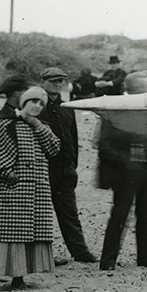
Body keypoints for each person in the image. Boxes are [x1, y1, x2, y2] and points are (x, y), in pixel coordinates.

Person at [0, 79, 61, 292]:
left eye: (41, 103)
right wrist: (5, 172)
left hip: (38, 192)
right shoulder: (4, 124)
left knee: (31, 236)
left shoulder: (42, 127)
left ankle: (19, 279)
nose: (36, 106)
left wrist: (37, 125)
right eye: (33, 101)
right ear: (23, 102)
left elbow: (54, 148)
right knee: (5, 236)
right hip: (13, 191)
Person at [37, 67, 99, 262]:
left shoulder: (67, 109)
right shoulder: (36, 108)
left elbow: (72, 139)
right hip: (43, 170)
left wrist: (73, 167)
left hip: (65, 171)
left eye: (60, 82)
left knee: (69, 214)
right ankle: (43, 256)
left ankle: (80, 252)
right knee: (41, 216)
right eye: (52, 81)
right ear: (42, 83)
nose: (56, 85)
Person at [97, 68, 147, 270]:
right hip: (125, 172)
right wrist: (128, 163)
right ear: (136, 89)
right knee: (121, 214)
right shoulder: (116, 109)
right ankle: (108, 261)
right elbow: (103, 145)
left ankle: (146, 259)